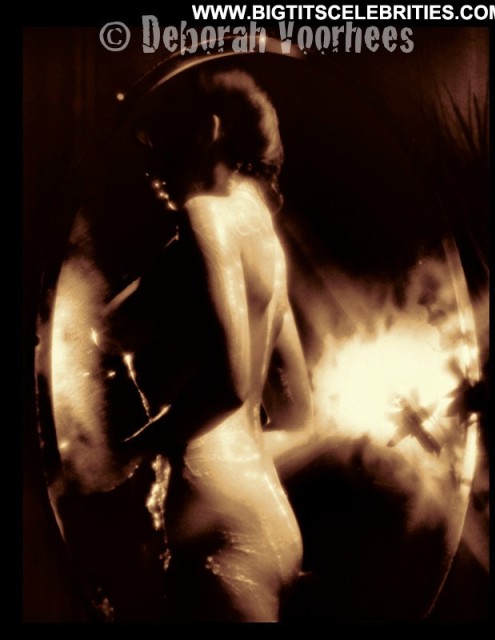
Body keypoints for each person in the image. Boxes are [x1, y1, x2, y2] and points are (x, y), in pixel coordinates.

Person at [101, 68, 315, 621]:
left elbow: (227, 385)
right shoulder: (263, 239)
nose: (149, 165)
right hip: (269, 522)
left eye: (159, 140)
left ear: (208, 131)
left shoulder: (207, 216)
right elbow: (298, 412)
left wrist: (128, 452)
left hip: (221, 542)